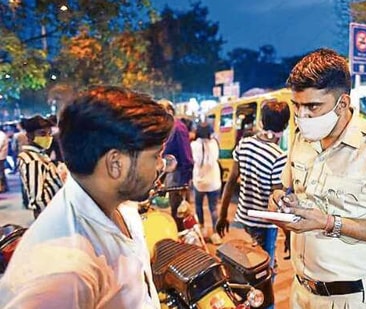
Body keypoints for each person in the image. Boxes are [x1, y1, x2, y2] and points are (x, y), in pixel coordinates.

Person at [268, 48, 366, 309]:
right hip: (300, 291)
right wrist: (280, 199)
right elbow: (285, 186)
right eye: (297, 106)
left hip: (352, 298)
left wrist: (328, 223)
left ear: (343, 103)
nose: (303, 116)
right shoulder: (301, 139)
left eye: (313, 106)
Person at [0, 86, 173, 308]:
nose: (161, 166)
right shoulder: (64, 273)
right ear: (115, 164)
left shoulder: (120, 205)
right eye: (155, 156)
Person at [217, 99, 291, 274]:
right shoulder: (279, 156)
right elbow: (277, 203)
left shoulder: (244, 144)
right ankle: (265, 302)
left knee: (251, 265)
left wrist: (223, 215)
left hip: (245, 219)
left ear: (262, 121)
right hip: (265, 225)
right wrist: (288, 234)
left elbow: (231, 181)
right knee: (263, 273)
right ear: (286, 125)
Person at [16, 115, 64, 218]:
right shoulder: (32, 159)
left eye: (49, 134)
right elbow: (38, 198)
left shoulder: (39, 155)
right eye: (42, 134)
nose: (47, 137)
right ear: (29, 136)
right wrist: (49, 220)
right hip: (51, 216)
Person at [158, 99, 194, 232]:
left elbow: (187, 158)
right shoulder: (168, 128)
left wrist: (184, 183)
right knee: (176, 211)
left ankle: (183, 246)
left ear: (170, 112)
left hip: (178, 176)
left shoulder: (177, 128)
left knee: (180, 214)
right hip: (171, 174)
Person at [190, 122, 222, 244]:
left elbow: (193, 161)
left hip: (199, 182)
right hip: (213, 181)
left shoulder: (193, 145)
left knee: (198, 206)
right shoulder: (214, 144)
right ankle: (215, 233)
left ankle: (202, 229)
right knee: (213, 208)